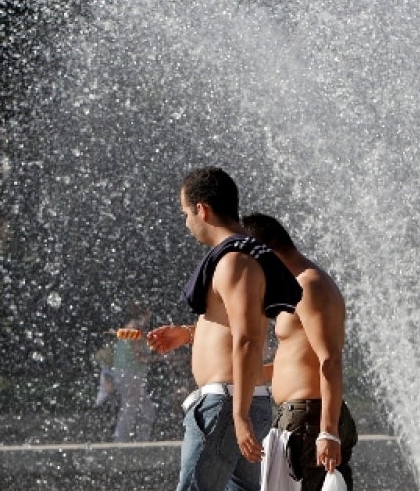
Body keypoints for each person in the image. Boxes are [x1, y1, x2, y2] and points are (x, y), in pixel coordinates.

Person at [146, 166, 303, 491]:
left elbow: (248, 337)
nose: (187, 223)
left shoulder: (235, 261)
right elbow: (235, 325)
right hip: (234, 402)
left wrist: (240, 414)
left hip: (227, 405)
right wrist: (188, 334)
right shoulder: (242, 257)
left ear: (202, 209)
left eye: (185, 214)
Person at [241, 212, 357, 491]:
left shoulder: (309, 285)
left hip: (310, 419)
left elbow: (330, 359)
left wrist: (327, 431)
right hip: (300, 417)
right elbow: (298, 360)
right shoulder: (295, 287)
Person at [111, 303, 159, 442]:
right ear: (141, 316)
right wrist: (161, 359)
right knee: (131, 408)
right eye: (147, 317)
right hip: (129, 374)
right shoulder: (133, 329)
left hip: (126, 373)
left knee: (144, 409)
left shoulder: (133, 330)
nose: (148, 321)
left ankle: (139, 441)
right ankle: (121, 442)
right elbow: (139, 357)